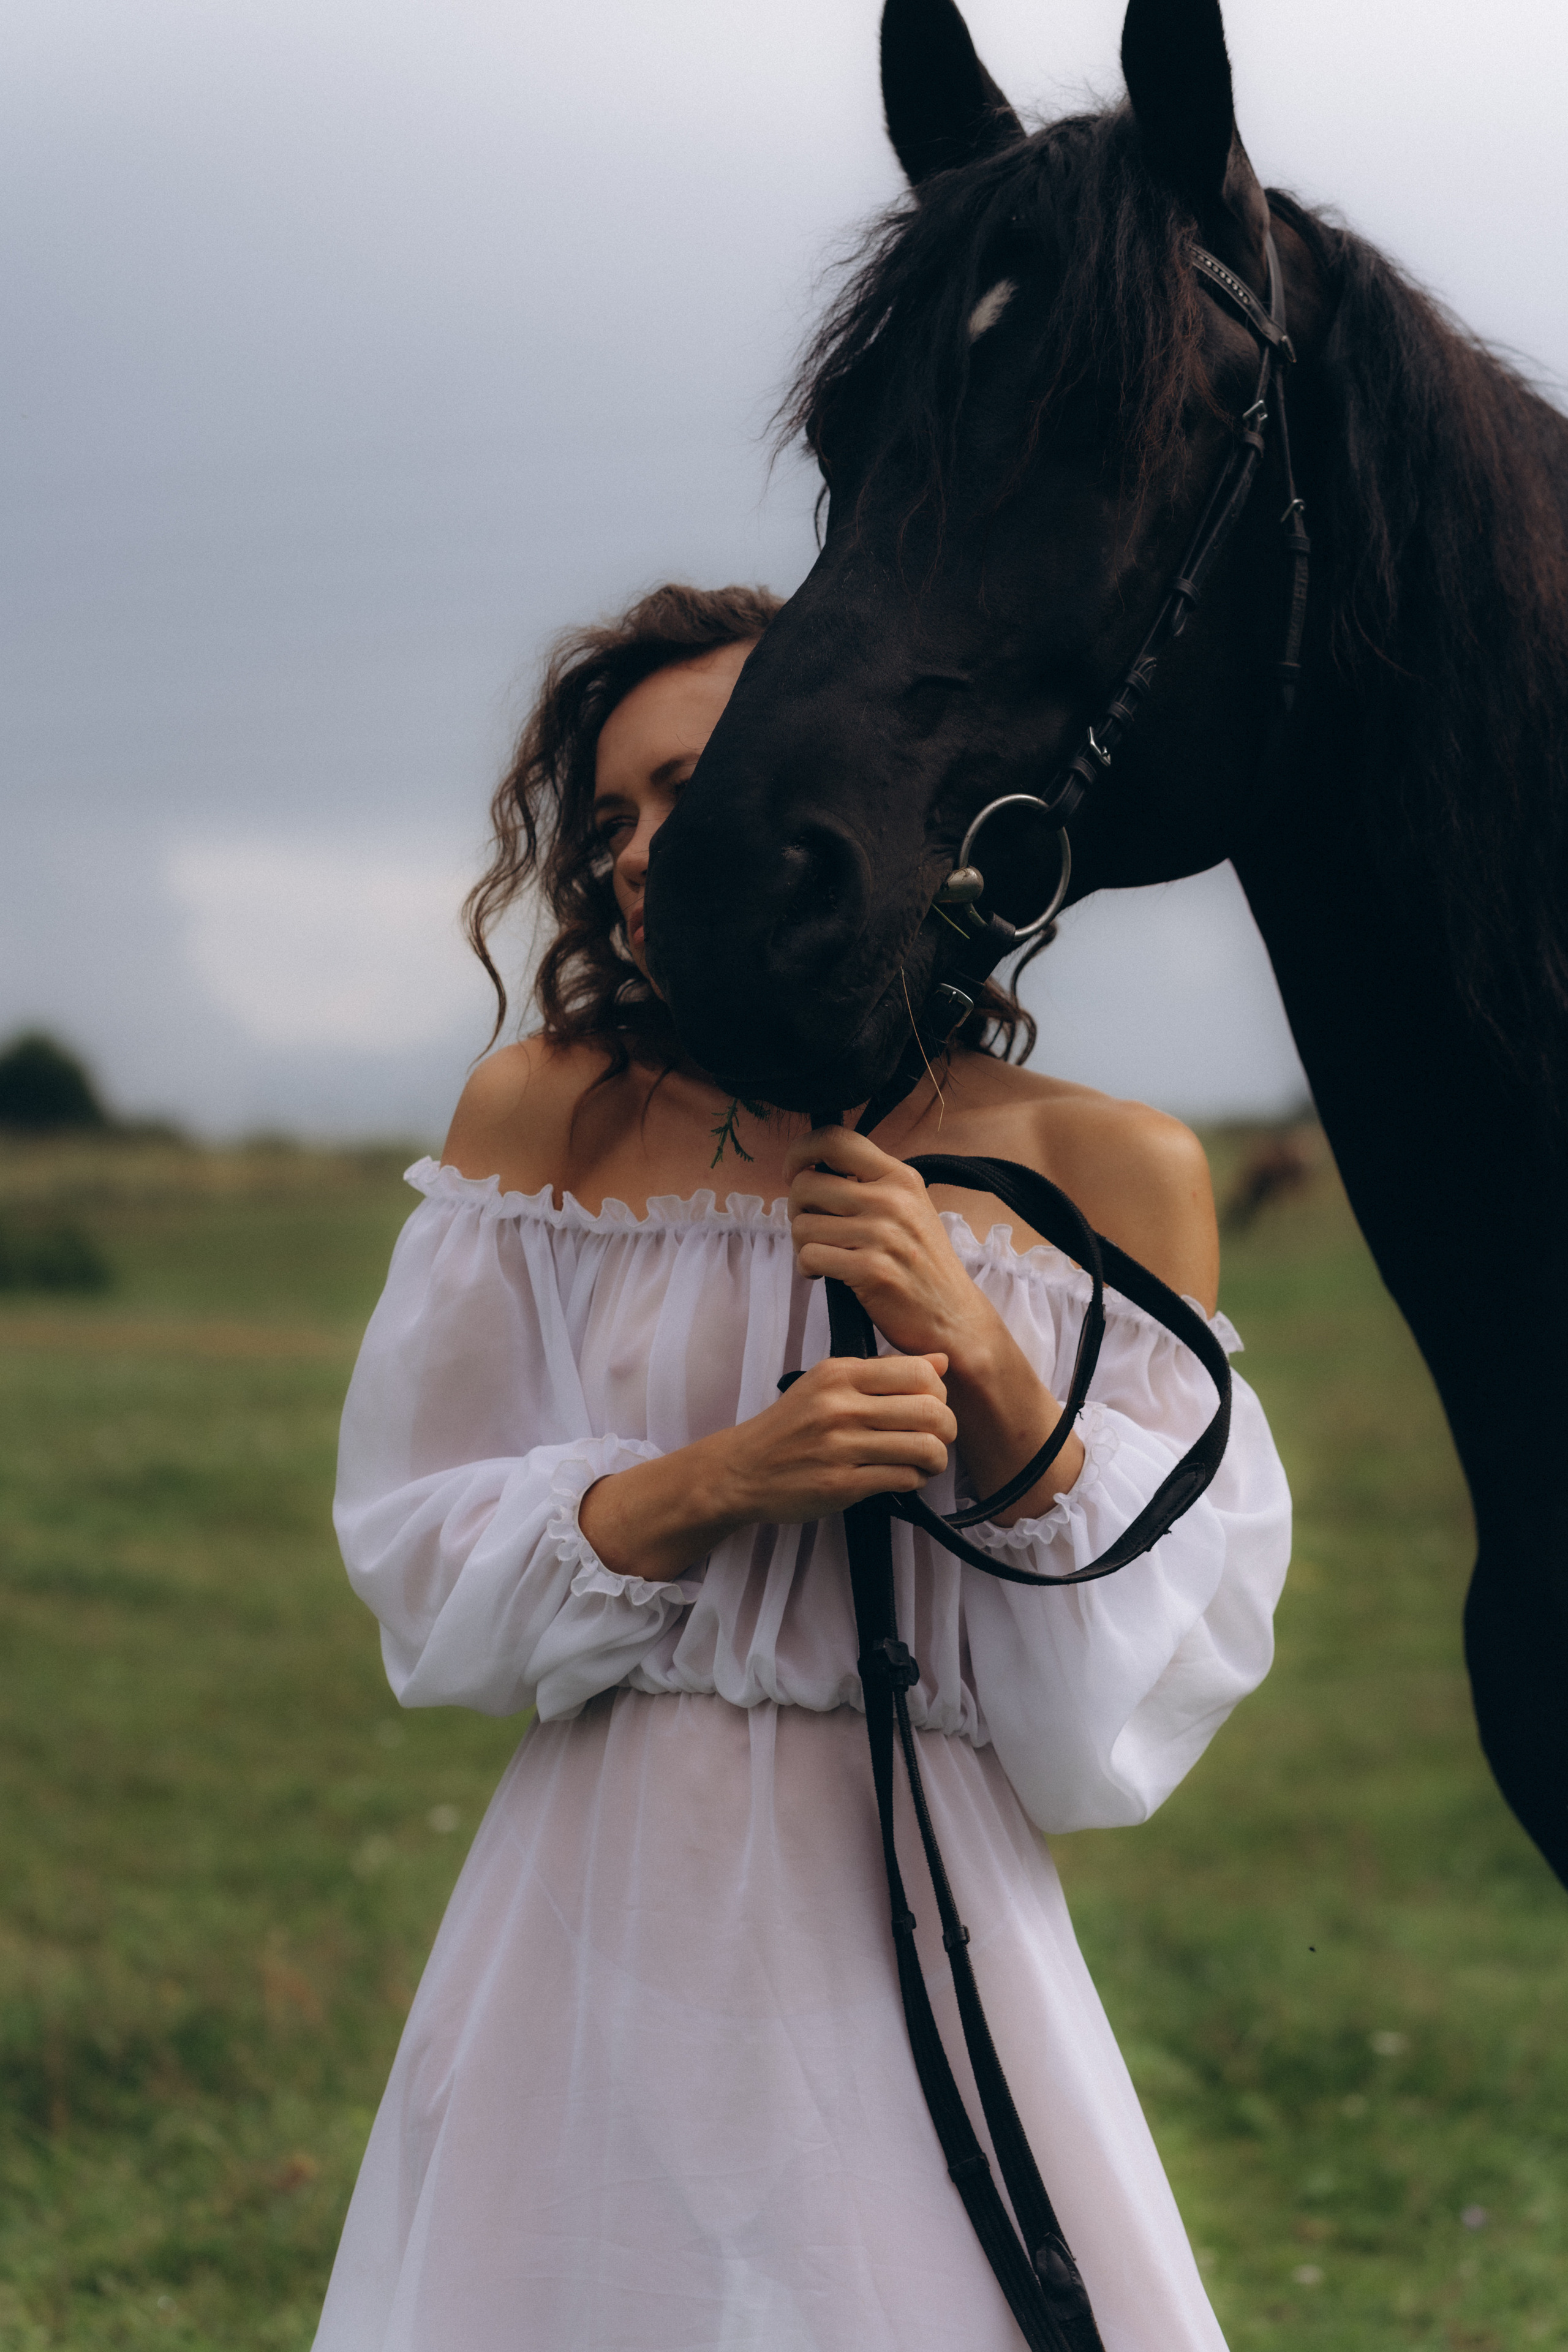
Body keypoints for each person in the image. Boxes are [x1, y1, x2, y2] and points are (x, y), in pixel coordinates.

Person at [314, 582, 1291, 2352]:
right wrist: (717, 1481)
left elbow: (1135, 1675)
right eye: (608, 821)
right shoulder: (550, 1118)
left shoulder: (1109, 1170)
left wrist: (984, 1355)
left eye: (687, 792)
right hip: (600, 1881)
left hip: (919, 1896)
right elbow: (419, 1553)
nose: (636, 855)